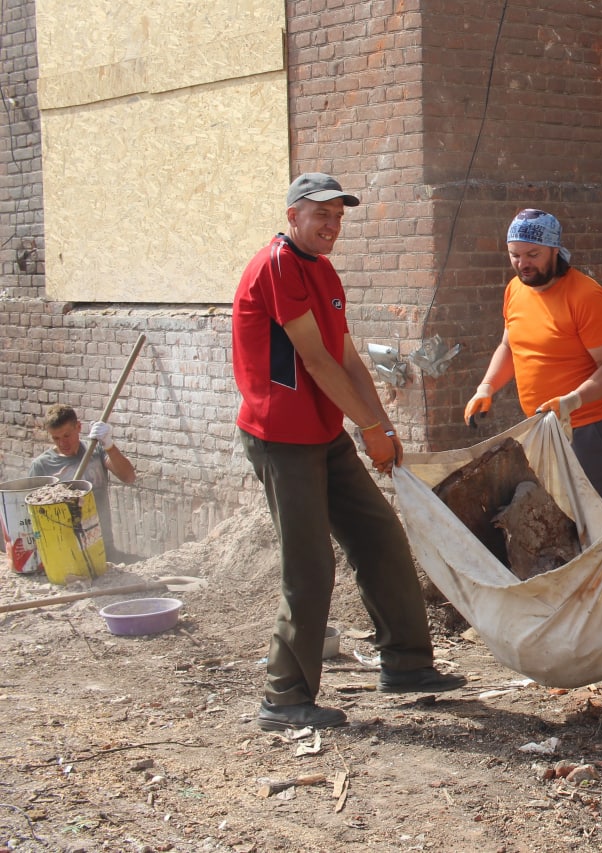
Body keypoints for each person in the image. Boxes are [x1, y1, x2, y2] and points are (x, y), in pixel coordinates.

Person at [233, 172, 466, 733]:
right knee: (309, 568)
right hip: (281, 439)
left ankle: (407, 666)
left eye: (338, 216)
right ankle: (284, 699)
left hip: (322, 432)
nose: (331, 225)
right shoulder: (277, 266)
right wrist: (366, 426)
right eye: (321, 215)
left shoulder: (323, 270)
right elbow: (314, 361)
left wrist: (382, 425)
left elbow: (347, 357)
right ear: (293, 216)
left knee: (380, 535)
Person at [463, 209, 602, 505]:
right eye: (515, 255)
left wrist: (572, 400)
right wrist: (486, 387)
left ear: (555, 249)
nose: (522, 264)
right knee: (551, 514)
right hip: (539, 427)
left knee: (589, 516)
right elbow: (509, 347)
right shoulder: (515, 289)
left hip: (586, 428)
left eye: (533, 254)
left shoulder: (587, 297)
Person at [29, 404, 137, 563]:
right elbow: (32, 516)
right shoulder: (42, 466)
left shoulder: (95, 452)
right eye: (56, 438)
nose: (62, 443)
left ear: (78, 427)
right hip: (67, 554)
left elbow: (129, 477)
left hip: (103, 548)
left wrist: (108, 445)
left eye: (67, 435)